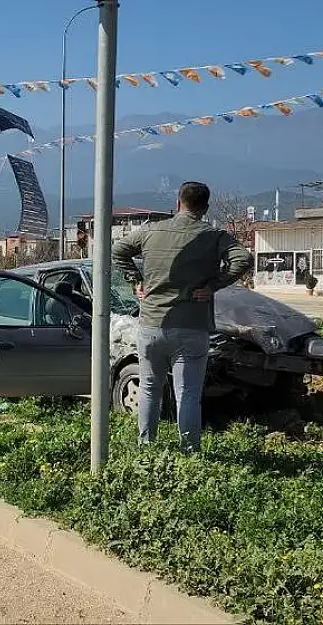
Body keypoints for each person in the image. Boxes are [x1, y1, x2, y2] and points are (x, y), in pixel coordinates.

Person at [111, 181, 253, 452]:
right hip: (192, 327)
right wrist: (214, 285)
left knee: (150, 388)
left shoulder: (151, 230)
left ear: (178, 203)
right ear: (205, 208)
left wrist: (135, 281)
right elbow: (243, 259)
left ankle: (146, 447)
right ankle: (188, 451)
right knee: (187, 394)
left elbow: (118, 251)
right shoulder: (213, 236)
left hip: (152, 324)